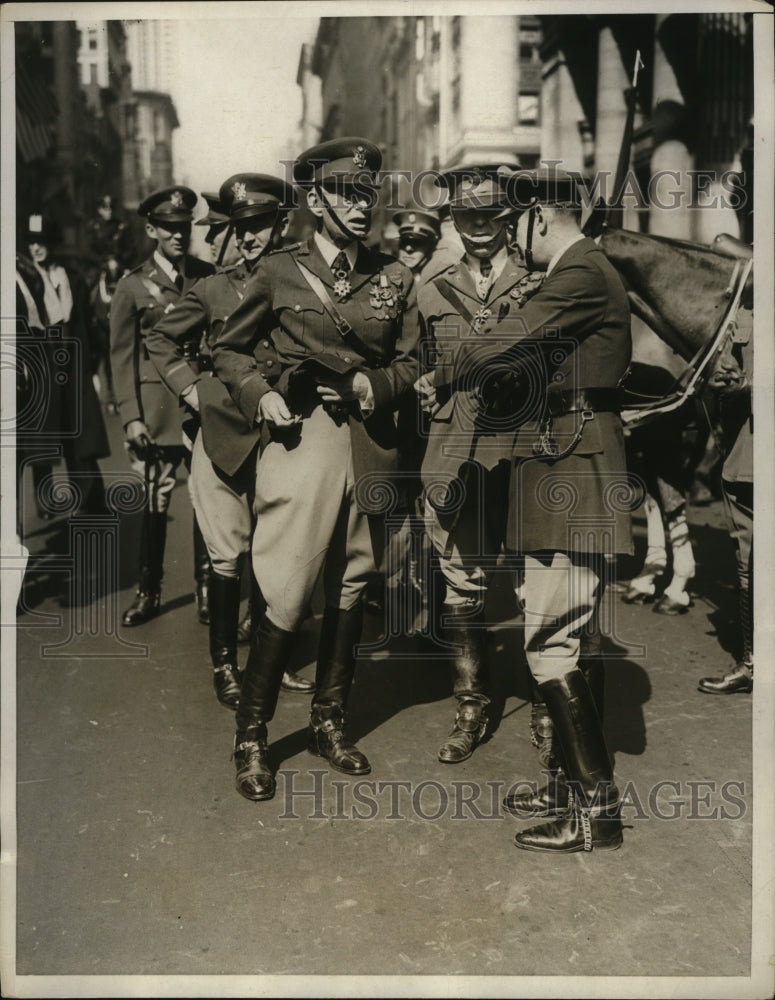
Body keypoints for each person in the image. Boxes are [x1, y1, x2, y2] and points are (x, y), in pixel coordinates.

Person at [213, 137, 419, 802]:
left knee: (352, 586)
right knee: (286, 588)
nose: (361, 207)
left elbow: (418, 360)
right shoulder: (278, 271)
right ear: (314, 198)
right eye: (346, 194)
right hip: (301, 445)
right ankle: (251, 735)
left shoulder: (392, 276)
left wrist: (374, 388)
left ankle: (329, 722)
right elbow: (227, 351)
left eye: (368, 194)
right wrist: (260, 394)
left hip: (367, 444)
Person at [445, 167, 633, 853]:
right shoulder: (582, 269)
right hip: (560, 462)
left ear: (540, 217)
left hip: (574, 469)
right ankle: (568, 789)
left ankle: (595, 814)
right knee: (555, 632)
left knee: (551, 643)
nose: (505, 234)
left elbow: (501, 342)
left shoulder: (579, 271)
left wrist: (433, 364)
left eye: (512, 220)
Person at [145, 173, 315, 707]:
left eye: (259, 225)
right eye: (240, 227)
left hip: (283, 436)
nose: (247, 237)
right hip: (220, 435)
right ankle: (224, 665)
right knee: (225, 556)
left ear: (280, 224)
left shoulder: (302, 280)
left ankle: (271, 661)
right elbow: (159, 337)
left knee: (277, 553)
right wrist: (191, 389)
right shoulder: (212, 288)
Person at [414, 163, 539, 764]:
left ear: (510, 217)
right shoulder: (429, 286)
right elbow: (413, 364)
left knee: (532, 577)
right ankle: (471, 706)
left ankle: (547, 703)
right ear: (453, 220)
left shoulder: (540, 280)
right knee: (461, 575)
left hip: (523, 450)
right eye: (467, 216)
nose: (479, 226)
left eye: (490, 215)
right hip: (455, 452)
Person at [109, 186, 214, 627]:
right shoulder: (133, 285)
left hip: (201, 406)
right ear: (151, 229)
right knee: (157, 499)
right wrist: (131, 416)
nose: (178, 234)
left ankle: (207, 589)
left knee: (207, 500)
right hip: (157, 411)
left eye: (184, 226)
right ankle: (149, 590)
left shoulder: (207, 277)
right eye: (169, 227)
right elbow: (120, 355)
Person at [22, 214, 110, 518]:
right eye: (32, 242)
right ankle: (45, 500)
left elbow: (85, 321)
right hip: (41, 364)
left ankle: (89, 497)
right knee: (43, 435)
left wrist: (90, 365)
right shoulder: (25, 280)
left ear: (53, 244)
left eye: (42, 242)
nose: (36, 248)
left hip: (72, 362)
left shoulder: (69, 277)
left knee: (80, 433)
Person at [698, 249, 753, 695]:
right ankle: (752, 662)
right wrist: (723, 379)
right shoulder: (744, 308)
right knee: (747, 561)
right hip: (744, 459)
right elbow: (729, 371)